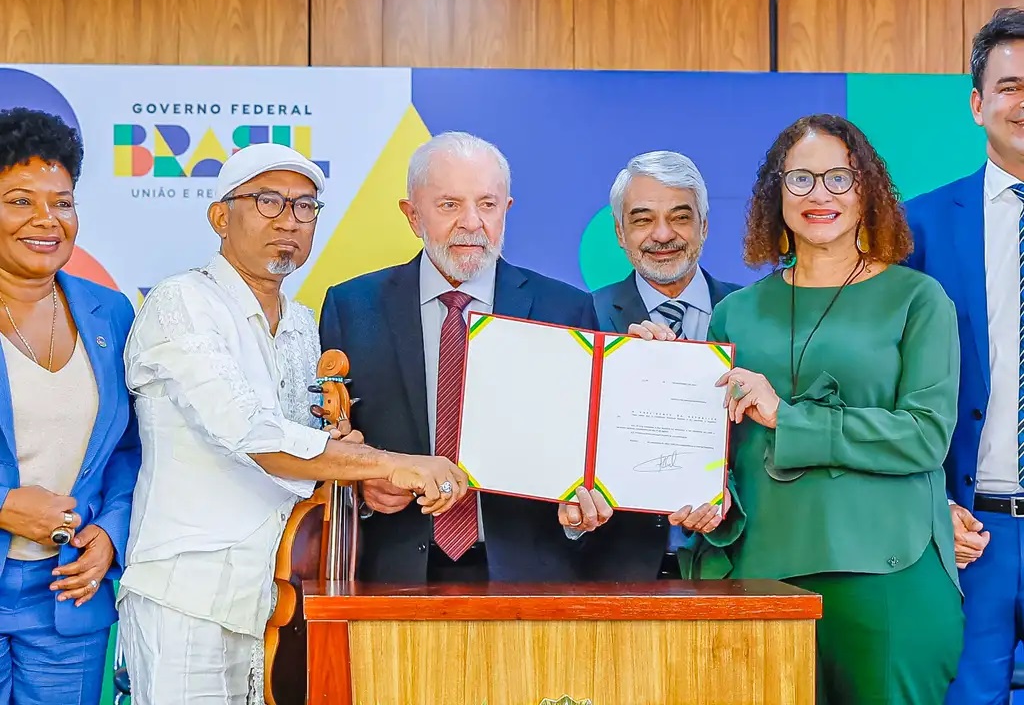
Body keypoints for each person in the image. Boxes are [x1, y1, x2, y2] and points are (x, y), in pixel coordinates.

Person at [116, 143, 467, 704]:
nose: (289, 220)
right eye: (268, 201)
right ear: (219, 216)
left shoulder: (303, 324)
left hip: (278, 593)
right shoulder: (181, 303)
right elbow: (251, 434)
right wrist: (393, 462)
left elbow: (313, 450)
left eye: (306, 207)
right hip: (190, 595)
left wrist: (355, 474)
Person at [633, 114, 964, 703]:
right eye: (801, 180)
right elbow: (720, 453)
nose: (820, 195)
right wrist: (661, 381)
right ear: (775, 194)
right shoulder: (738, 311)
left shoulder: (918, 299)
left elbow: (925, 436)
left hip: (887, 573)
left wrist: (788, 416)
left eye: (839, 178)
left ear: (867, 190)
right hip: (761, 569)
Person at [320, 131, 609, 584]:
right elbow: (321, 441)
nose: (472, 222)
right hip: (391, 575)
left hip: (526, 577)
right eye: (449, 204)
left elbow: (589, 447)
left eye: (487, 205)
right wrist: (360, 483)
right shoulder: (352, 307)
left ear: (507, 211)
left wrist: (583, 504)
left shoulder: (567, 310)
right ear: (412, 215)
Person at [0, 107, 141, 704]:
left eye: (62, 202)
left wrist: (111, 532)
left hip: (69, 597)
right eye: (19, 200)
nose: (46, 220)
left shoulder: (112, 313)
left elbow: (131, 451)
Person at [904, 6, 1024, 704]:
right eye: (1008, 86)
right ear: (978, 104)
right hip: (968, 535)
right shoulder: (917, 226)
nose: (1022, 102)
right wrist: (928, 505)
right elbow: (881, 381)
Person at [589, 150, 742, 580]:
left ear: (704, 227)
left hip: (736, 563)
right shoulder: (586, 317)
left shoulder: (753, 314)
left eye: (680, 217)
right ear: (620, 233)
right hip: (618, 566)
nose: (662, 234)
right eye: (641, 220)